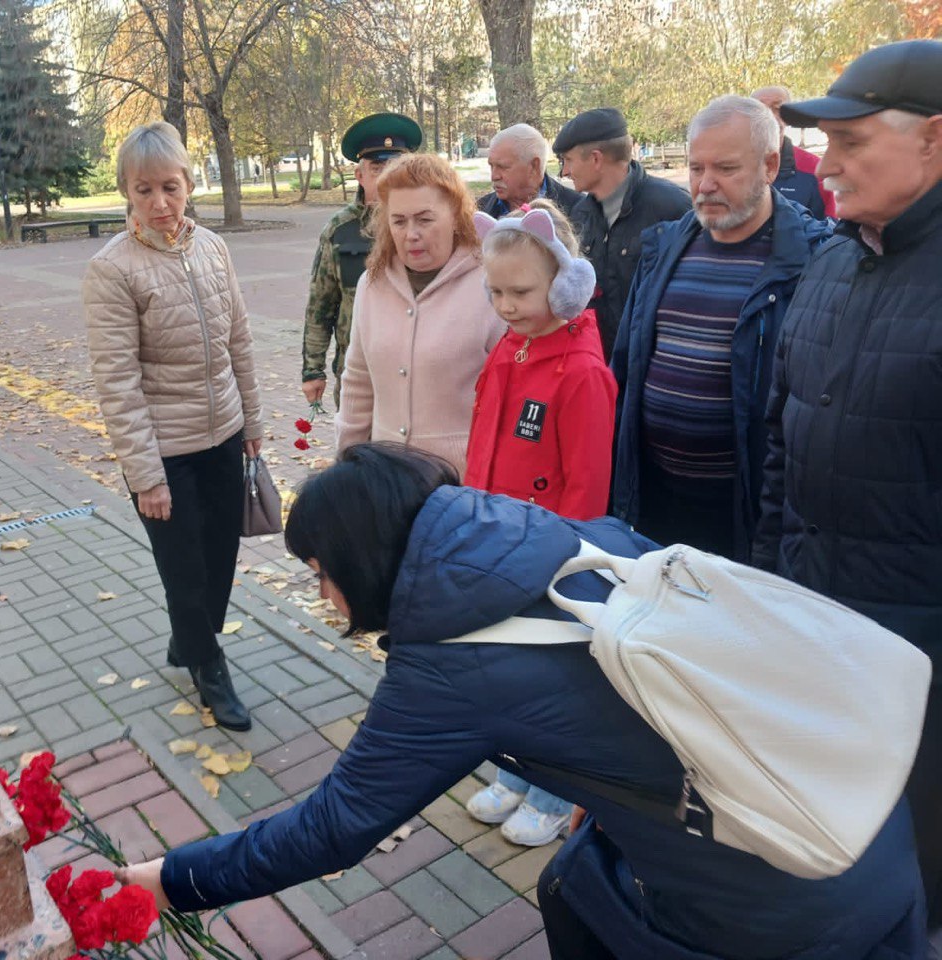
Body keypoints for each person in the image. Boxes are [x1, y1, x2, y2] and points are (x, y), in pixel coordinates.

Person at [116, 443, 927, 960]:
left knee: (575, 889)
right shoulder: (574, 540)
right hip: (865, 812)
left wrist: (166, 881)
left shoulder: (446, 670)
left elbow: (329, 831)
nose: (320, 594)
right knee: (579, 867)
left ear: (361, 562)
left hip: (782, 900)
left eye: (319, 571)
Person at [753, 39, 942, 938]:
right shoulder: (831, 261)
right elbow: (783, 439)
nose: (826, 165)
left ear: (935, 141)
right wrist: (769, 580)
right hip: (820, 624)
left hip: (923, 668)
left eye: (854, 142)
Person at [83, 122, 263, 731]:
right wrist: (145, 475)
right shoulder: (112, 270)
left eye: (170, 187)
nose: (159, 203)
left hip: (224, 434)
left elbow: (239, 337)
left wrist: (254, 422)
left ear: (189, 184)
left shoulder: (213, 248)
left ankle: (189, 638)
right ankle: (208, 666)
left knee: (219, 556)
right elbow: (118, 381)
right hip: (166, 449)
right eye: (143, 190)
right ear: (126, 194)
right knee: (182, 566)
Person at [611, 96, 832, 561]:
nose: (705, 185)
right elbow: (625, 366)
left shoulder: (814, 262)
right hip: (656, 505)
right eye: (695, 169)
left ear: (770, 165)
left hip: (748, 515)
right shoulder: (663, 247)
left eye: (726, 169)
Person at [462, 202, 615, 846]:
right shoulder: (510, 348)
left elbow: (586, 486)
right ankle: (518, 772)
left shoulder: (580, 372)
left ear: (563, 285)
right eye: (494, 291)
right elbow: (482, 445)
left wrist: (567, 564)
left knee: (555, 682)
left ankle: (558, 791)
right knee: (508, 670)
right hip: (497, 545)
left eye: (520, 292)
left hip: (552, 563)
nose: (504, 305)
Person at [335, 153, 504, 477]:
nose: (411, 233)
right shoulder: (372, 284)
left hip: (464, 486)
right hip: (384, 482)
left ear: (456, 216)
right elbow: (357, 381)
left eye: (424, 219)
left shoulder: (491, 284)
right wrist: (346, 468)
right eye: (399, 221)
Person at [301, 113, 423, 411]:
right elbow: (321, 304)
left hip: (416, 372)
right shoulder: (339, 230)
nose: (386, 178)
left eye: (395, 168)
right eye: (378, 168)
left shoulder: (425, 226)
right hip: (358, 372)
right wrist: (312, 370)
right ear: (360, 175)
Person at [553, 107, 692, 358]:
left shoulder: (674, 208)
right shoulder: (579, 215)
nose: (564, 172)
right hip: (598, 366)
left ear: (596, 159)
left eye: (568, 160)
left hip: (651, 367)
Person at [751, 85, 835, 219]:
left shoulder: (815, 169)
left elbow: (832, 231)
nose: (769, 116)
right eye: (760, 109)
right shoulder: (728, 165)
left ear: (788, 117)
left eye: (777, 108)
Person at [477, 124, 582, 219]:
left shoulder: (580, 210)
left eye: (503, 167)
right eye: (491, 166)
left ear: (534, 166)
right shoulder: (479, 211)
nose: (494, 176)